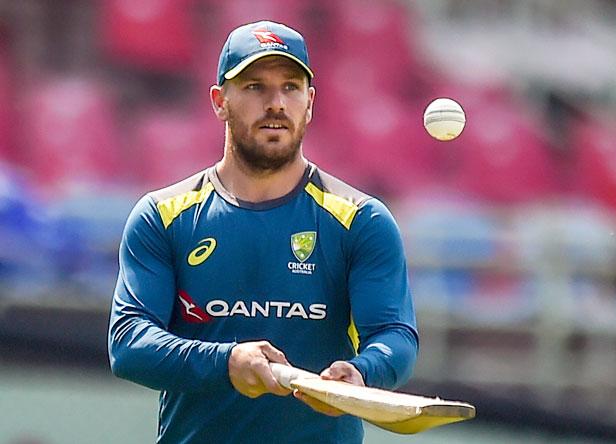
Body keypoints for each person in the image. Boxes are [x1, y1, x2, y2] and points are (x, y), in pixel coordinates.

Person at [108, 20, 419, 444]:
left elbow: (394, 334)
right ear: (220, 101)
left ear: (309, 102)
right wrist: (228, 362)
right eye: (255, 86)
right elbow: (129, 343)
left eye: (290, 87)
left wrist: (363, 371)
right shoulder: (163, 216)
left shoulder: (361, 220)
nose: (276, 103)